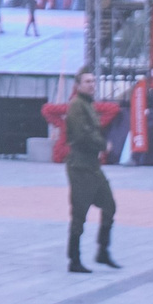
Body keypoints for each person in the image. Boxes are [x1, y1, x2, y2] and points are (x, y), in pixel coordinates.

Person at [64, 72, 118, 274]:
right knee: (79, 214)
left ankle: (102, 251)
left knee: (109, 206)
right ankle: (74, 259)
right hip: (80, 166)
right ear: (78, 85)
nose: (92, 84)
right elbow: (81, 135)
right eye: (87, 81)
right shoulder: (77, 105)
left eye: (93, 81)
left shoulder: (88, 104)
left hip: (92, 166)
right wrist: (103, 145)